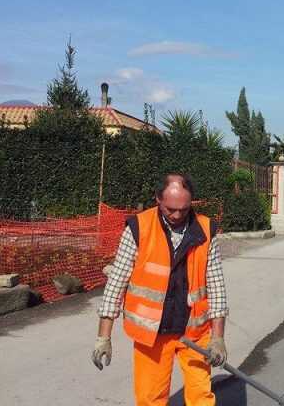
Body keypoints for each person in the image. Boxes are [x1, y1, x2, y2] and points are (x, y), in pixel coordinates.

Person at [92, 173, 228, 406]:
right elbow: (116, 283)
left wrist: (218, 338)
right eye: (170, 209)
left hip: (194, 332)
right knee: (150, 398)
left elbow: (216, 286)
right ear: (158, 199)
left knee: (201, 397)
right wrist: (103, 337)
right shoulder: (139, 228)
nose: (177, 215)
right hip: (152, 335)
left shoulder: (206, 230)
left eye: (184, 210)